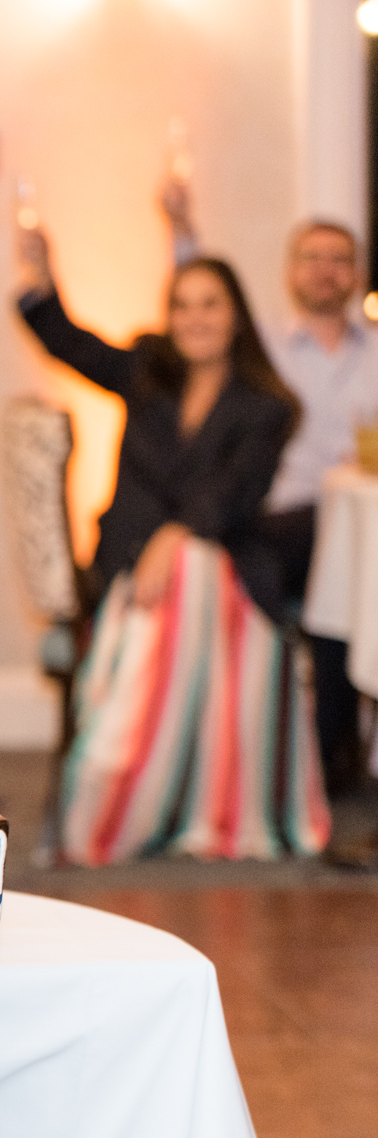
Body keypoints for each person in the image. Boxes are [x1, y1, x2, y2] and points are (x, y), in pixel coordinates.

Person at [17, 226, 328, 863]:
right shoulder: (145, 371)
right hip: (129, 563)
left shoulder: (269, 407)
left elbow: (235, 495)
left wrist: (176, 537)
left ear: (237, 315)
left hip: (230, 575)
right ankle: (129, 785)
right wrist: (43, 283)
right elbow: (73, 344)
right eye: (182, 305)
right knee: (183, 570)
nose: (194, 318)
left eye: (209, 303)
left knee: (193, 565)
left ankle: (156, 789)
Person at [167, 184, 377, 794]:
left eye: (339, 258)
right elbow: (196, 310)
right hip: (276, 524)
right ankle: (325, 755)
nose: (325, 270)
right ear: (290, 272)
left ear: (356, 273)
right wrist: (181, 228)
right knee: (327, 546)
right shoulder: (259, 351)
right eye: (312, 257)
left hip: (354, 531)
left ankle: (333, 753)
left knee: (344, 566)